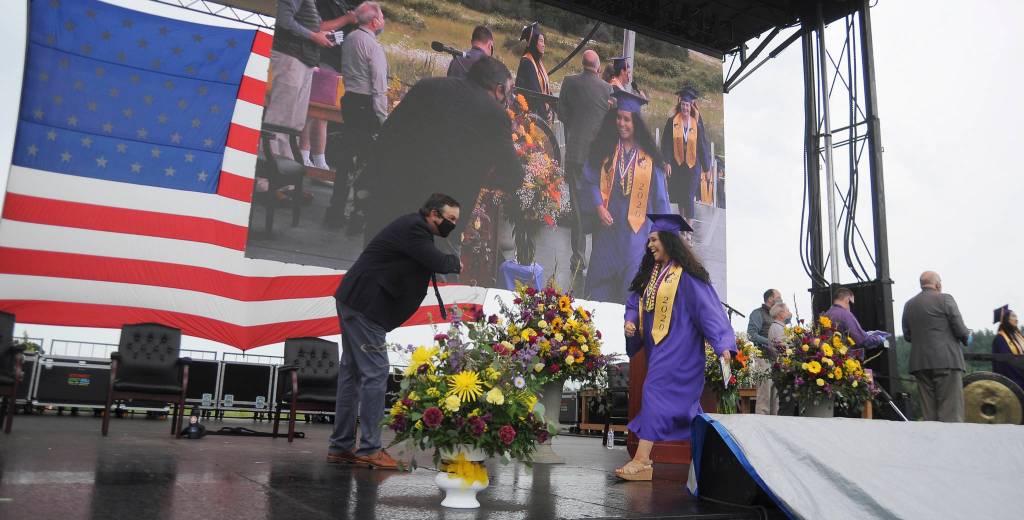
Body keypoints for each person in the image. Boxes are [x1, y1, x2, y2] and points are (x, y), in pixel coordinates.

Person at [329, 193, 463, 469]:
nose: (452, 225)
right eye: (450, 219)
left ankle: (341, 446)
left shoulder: (414, 229)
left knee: (352, 374)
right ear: (433, 214)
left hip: (357, 302)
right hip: (366, 307)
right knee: (376, 372)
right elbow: (438, 262)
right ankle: (369, 448)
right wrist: (456, 262)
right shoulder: (415, 228)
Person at [360, 56, 524, 249]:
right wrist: (483, 179)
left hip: (389, 200)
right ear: (499, 89)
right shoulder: (495, 115)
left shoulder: (427, 86)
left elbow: (387, 134)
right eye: (509, 91)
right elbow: (514, 175)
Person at [619, 214, 735, 480]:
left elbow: (710, 312)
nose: (649, 245)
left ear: (669, 241)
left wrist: (723, 345)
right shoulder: (651, 276)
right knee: (688, 409)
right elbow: (633, 303)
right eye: (648, 240)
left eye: (654, 240)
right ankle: (714, 454)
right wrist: (630, 322)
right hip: (658, 350)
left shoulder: (688, 276)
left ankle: (642, 461)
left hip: (682, 351)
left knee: (653, 391)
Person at [581, 89, 670, 303]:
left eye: (627, 119)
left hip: (636, 239)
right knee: (598, 293)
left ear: (636, 123)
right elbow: (590, 179)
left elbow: (661, 201)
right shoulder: (605, 148)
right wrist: (598, 206)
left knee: (630, 298)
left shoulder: (649, 159)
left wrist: (665, 241)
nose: (621, 123)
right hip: (607, 235)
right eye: (618, 118)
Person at [324, 1, 388, 229]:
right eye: (381, 17)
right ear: (374, 21)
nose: (383, 21)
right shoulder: (373, 47)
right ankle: (358, 215)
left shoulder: (350, 39)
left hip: (350, 99)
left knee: (346, 158)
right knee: (365, 161)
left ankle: (336, 208)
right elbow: (379, 87)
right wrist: (383, 118)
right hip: (366, 105)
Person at [264, 0, 350, 159]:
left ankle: (284, 167)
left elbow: (313, 26)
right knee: (281, 116)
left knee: (294, 120)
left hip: (305, 60)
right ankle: (269, 170)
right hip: (291, 56)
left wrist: (320, 35)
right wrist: (313, 36)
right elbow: (285, 20)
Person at [557, 49, 612, 272]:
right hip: (599, 160)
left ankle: (578, 259)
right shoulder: (607, 89)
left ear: (582, 64)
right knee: (601, 205)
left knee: (578, 209)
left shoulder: (569, 83)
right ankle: (600, 258)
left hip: (576, 155)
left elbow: (562, 113)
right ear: (598, 67)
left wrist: (575, 129)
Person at [902, 271, 971, 422]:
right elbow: (960, 329)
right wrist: (967, 336)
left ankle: (932, 444)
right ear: (938, 284)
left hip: (920, 364)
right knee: (951, 412)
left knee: (929, 416)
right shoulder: (945, 298)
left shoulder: (909, 304)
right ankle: (951, 444)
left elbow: (907, 335)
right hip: (946, 361)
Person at [299, 0, 358, 169]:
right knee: (313, 111)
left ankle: (319, 159)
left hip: (337, 63)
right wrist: (346, 19)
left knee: (324, 114)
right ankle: (303, 154)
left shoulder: (348, 5)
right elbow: (319, 26)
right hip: (321, 60)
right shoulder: (323, 3)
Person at [660, 87, 712, 221]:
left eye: (687, 105)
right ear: (680, 104)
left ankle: (688, 228)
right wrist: (666, 162)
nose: (685, 108)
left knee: (688, 196)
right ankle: (681, 223)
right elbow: (665, 143)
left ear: (691, 106)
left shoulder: (696, 123)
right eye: (683, 104)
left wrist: (707, 168)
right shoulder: (672, 121)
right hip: (677, 164)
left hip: (692, 165)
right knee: (680, 195)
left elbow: (702, 145)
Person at [823, 287, 887, 352]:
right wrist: (880, 339)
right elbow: (862, 340)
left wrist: (866, 334)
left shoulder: (826, 315)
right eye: (851, 303)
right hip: (846, 358)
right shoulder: (845, 315)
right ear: (847, 300)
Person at [757, 302, 790, 415]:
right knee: (781, 401)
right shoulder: (777, 328)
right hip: (782, 366)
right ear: (780, 314)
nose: (789, 313)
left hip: (779, 365)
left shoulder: (777, 327)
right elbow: (783, 349)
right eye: (787, 310)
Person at [515, 22, 552, 120]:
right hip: (530, 115)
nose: (544, 45)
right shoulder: (527, 62)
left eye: (544, 42)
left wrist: (551, 108)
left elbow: (546, 89)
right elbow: (535, 93)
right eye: (541, 41)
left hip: (539, 113)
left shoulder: (537, 62)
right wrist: (544, 115)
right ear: (533, 42)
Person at [992, 305, 1024, 391]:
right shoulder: (1000, 339)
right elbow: (1006, 363)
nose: (1016, 319)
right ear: (1006, 319)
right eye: (1013, 316)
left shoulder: (1018, 336)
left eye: (1016, 316)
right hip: (1012, 379)